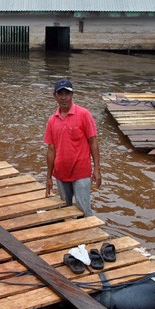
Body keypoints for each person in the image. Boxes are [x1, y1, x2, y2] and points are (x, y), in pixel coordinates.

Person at [44, 79, 101, 217]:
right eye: (60, 94)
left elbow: (93, 142)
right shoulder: (52, 120)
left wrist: (97, 169)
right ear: (55, 96)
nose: (64, 97)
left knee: (83, 209)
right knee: (65, 210)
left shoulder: (84, 114)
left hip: (81, 171)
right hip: (61, 173)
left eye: (67, 94)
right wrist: (49, 177)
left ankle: (91, 230)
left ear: (72, 95)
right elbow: (51, 150)